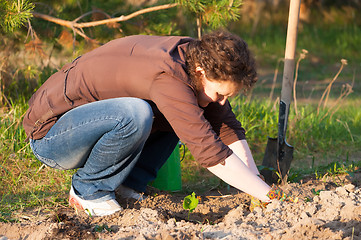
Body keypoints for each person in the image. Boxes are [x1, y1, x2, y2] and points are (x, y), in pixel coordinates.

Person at [23, 30, 296, 217]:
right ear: (202, 72)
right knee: (137, 113)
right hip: (52, 136)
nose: (222, 101)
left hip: (90, 125)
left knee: (183, 114)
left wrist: (257, 184)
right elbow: (208, 151)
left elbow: (226, 127)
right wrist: (270, 196)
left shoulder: (195, 59)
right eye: (220, 93)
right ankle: (88, 191)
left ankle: (127, 186)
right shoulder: (168, 75)